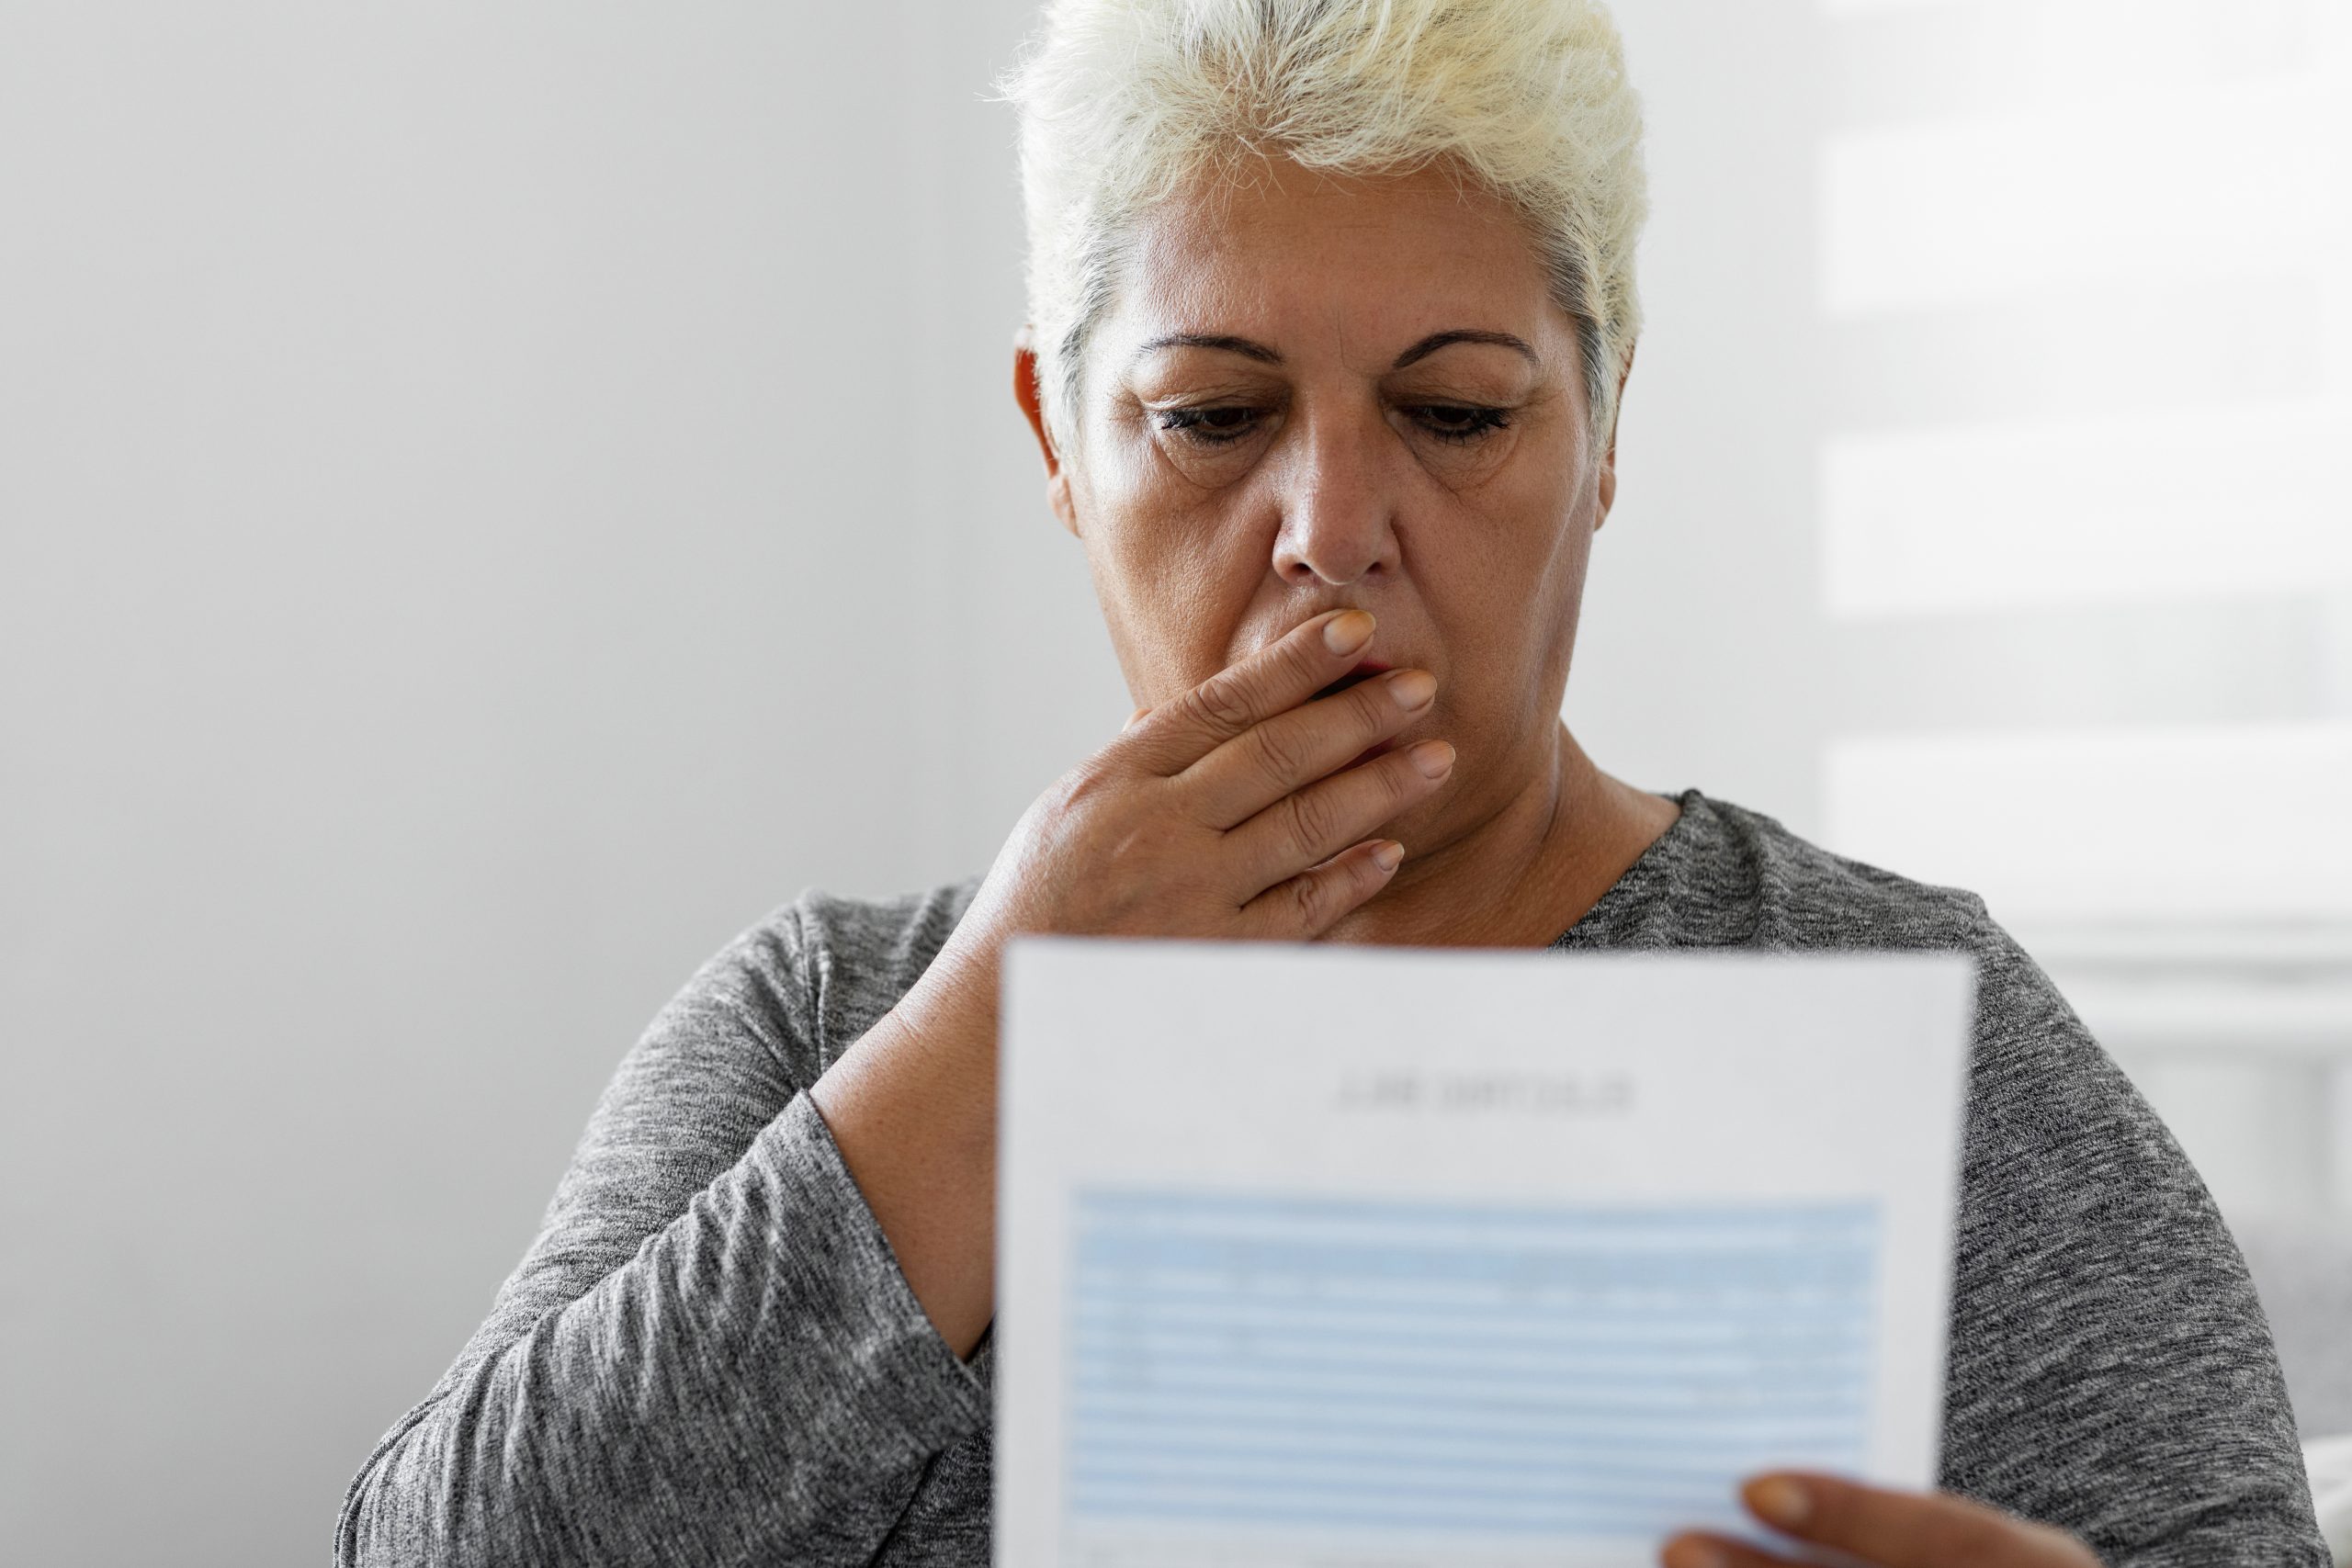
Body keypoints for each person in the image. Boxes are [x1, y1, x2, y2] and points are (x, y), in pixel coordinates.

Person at [334, 1, 2328, 1563]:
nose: (1331, 528)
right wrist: (1015, 1018)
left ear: (1604, 431)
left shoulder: (1905, 1029)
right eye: (1210, 415)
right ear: (1055, 432)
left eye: (1454, 413)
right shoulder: (830, 1017)